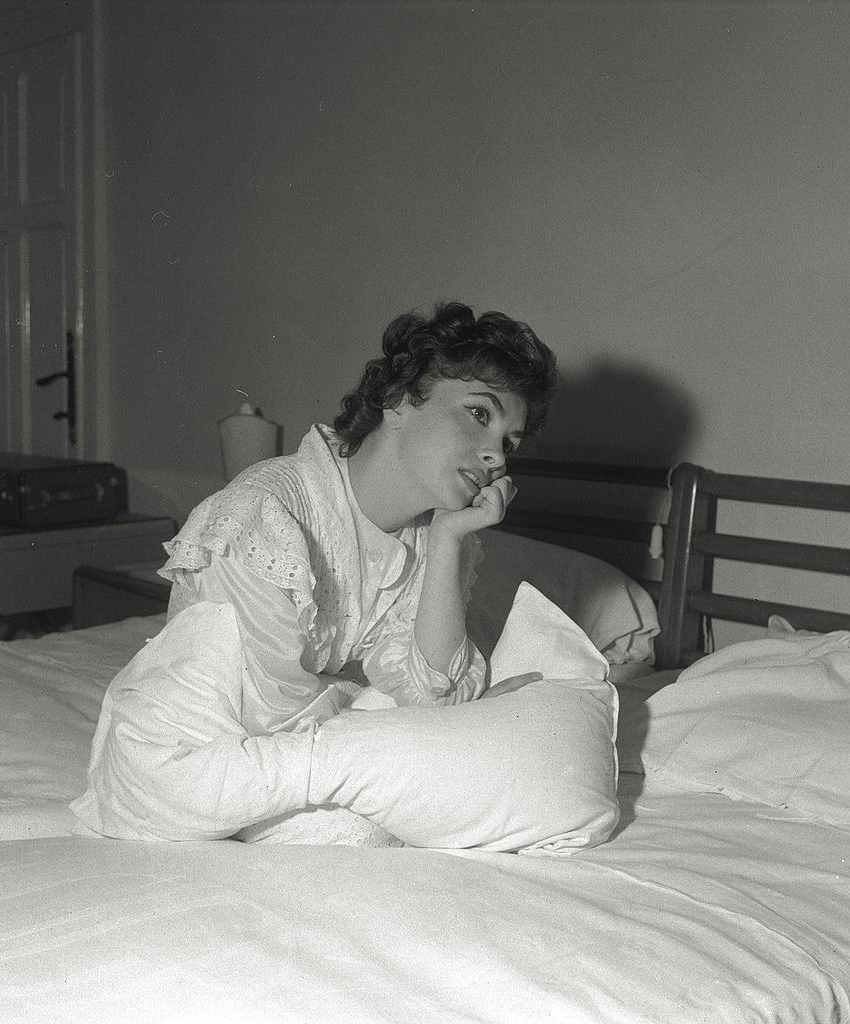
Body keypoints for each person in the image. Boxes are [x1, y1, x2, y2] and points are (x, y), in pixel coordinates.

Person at [71, 301, 559, 841]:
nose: (496, 455)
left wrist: (447, 541)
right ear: (399, 401)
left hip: (288, 748)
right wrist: (387, 735)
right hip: (188, 758)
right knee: (405, 813)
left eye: (510, 444)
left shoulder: (434, 537)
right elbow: (265, 714)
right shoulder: (266, 511)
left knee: (430, 795)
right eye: (479, 414)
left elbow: (434, 693)